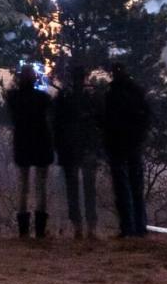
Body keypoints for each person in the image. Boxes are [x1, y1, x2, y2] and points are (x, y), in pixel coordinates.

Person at [101, 61, 150, 237]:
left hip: (118, 145)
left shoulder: (111, 93)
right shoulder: (136, 91)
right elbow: (146, 116)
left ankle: (128, 227)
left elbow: (105, 120)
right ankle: (139, 226)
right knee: (136, 187)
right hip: (132, 144)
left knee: (123, 188)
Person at [50, 64, 100, 238]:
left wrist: (59, 147)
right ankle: (90, 226)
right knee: (88, 189)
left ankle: (78, 225)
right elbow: (99, 123)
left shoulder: (65, 97)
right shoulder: (91, 97)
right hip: (85, 148)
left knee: (73, 190)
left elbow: (56, 124)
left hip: (72, 149)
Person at [4, 66, 54, 238]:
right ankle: (40, 231)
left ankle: (23, 231)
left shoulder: (13, 98)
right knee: (41, 187)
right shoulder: (43, 98)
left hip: (23, 146)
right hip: (41, 145)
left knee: (23, 187)